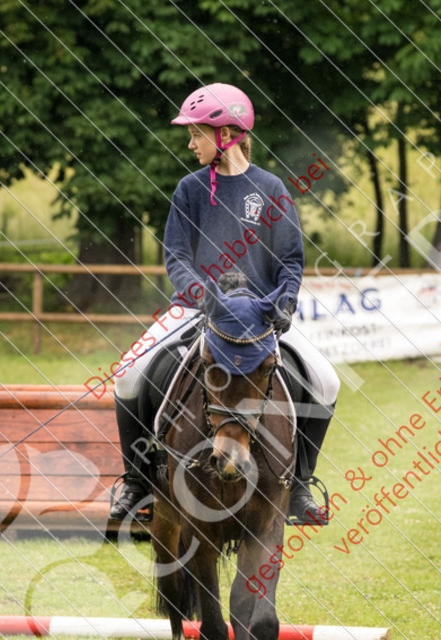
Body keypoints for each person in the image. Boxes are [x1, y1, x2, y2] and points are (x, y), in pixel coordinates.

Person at [109, 82, 339, 525]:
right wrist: (203, 296)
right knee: (126, 374)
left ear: (227, 134)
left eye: (196, 134)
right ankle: (137, 484)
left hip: (260, 316)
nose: (190, 143)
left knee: (326, 382)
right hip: (197, 310)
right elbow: (176, 256)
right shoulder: (189, 190)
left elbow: (290, 259)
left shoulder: (271, 189)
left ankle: (300, 487)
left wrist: (285, 302)